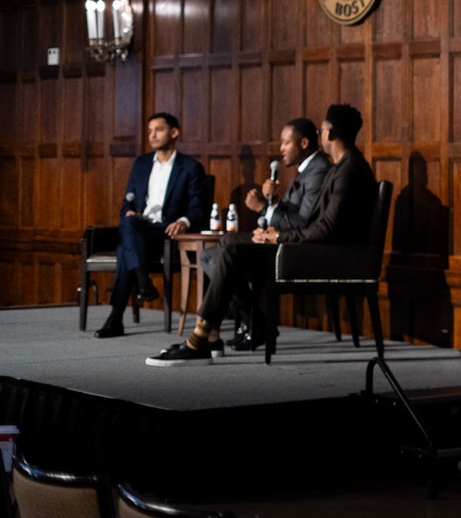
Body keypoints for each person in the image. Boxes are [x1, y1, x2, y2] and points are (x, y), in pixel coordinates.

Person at [146, 104, 378, 365]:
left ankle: (201, 337)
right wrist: (272, 226)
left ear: (331, 134)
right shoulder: (342, 167)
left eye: (321, 130)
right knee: (225, 246)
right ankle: (207, 336)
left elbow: (324, 229)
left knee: (230, 246)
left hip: (327, 256)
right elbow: (318, 223)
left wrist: (276, 237)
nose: (319, 135)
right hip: (314, 248)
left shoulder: (347, 170)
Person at [204, 118, 329, 350]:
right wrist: (272, 204)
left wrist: (264, 207)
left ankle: (251, 322)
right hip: (280, 240)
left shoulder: (318, 170)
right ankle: (254, 321)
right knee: (210, 255)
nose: (280, 148)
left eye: (285, 143)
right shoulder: (304, 170)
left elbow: (303, 222)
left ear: (303, 143)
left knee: (226, 248)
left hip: (293, 250)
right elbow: (294, 214)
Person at [94, 112, 208, 338]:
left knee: (123, 250)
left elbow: (199, 209)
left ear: (174, 133)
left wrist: (183, 222)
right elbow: (128, 200)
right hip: (139, 227)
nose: (152, 135)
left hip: (166, 231)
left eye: (159, 130)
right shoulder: (141, 163)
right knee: (127, 221)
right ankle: (143, 281)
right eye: (149, 131)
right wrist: (131, 212)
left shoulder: (190, 167)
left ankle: (117, 316)